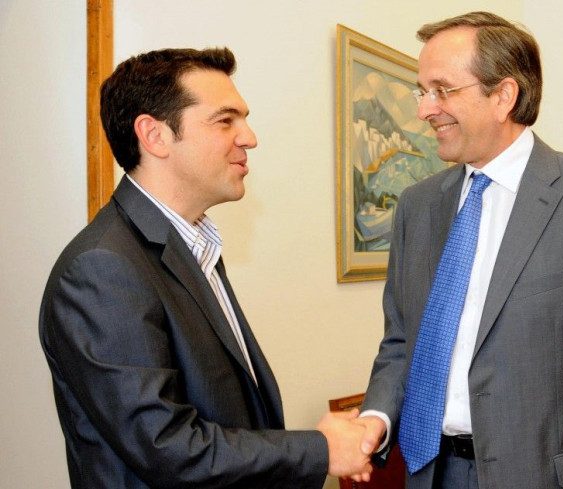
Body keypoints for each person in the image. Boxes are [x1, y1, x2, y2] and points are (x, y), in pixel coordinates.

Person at [355, 11, 563, 489]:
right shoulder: (416, 208)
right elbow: (401, 342)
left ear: (503, 95)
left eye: (442, 90)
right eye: (423, 91)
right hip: (431, 473)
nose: (424, 109)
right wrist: (376, 417)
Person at [39, 47, 370, 489]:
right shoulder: (102, 269)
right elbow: (168, 447)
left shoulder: (191, 246)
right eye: (225, 120)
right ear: (154, 136)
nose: (249, 137)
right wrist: (320, 449)